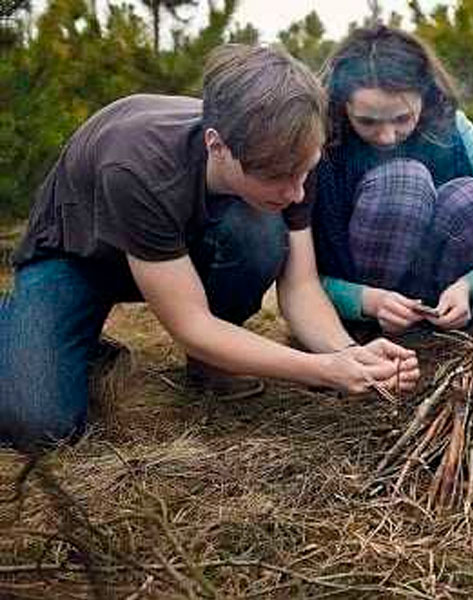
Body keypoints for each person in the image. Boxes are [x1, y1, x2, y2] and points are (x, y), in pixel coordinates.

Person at [0, 44, 419, 452]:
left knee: (260, 232)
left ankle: (212, 363)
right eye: (277, 176)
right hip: (80, 258)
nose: (296, 193)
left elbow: (302, 287)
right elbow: (191, 324)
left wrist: (350, 354)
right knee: (38, 426)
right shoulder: (136, 164)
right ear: (216, 145)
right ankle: (39, 325)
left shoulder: (292, 155)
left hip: (178, 254)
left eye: (304, 172)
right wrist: (323, 370)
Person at [309, 25, 473, 334]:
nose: (387, 138)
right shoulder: (318, 142)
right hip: (355, 308)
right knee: (405, 181)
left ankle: (430, 328)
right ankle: (368, 333)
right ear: (341, 104)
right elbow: (299, 279)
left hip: (437, 297)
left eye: (402, 118)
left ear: (424, 97)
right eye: (367, 121)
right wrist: (366, 301)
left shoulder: (454, 128)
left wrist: (469, 288)